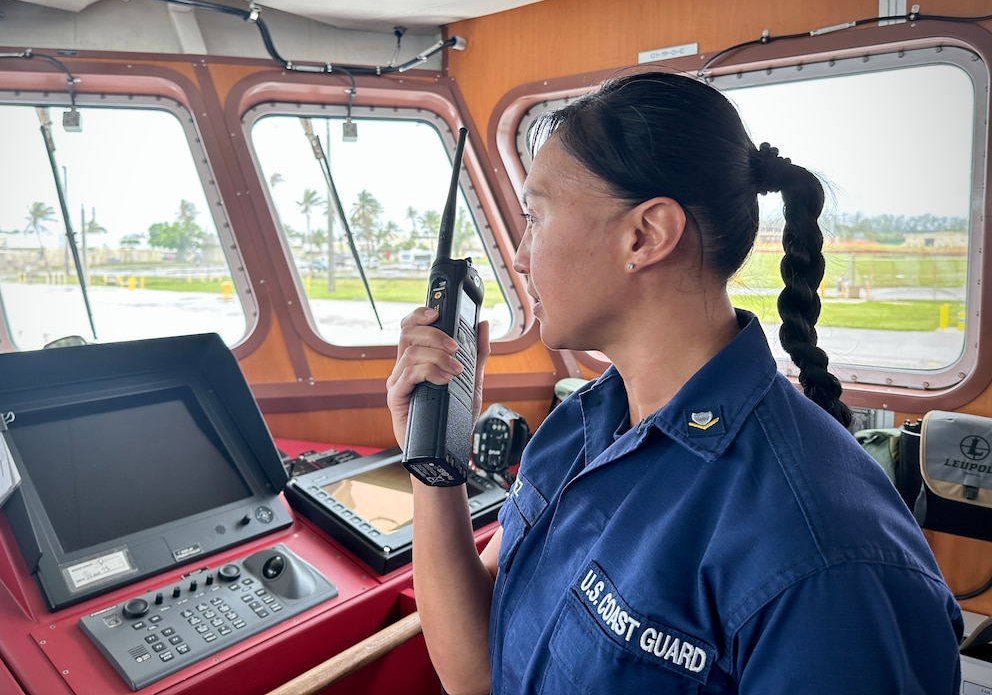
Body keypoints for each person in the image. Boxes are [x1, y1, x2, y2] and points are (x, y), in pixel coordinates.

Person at [386, 69, 964, 694]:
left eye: (537, 217)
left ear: (646, 235)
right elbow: (477, 673)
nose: (521, 257)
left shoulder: (827, 554)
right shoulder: (578, 431)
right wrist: (434, 465)